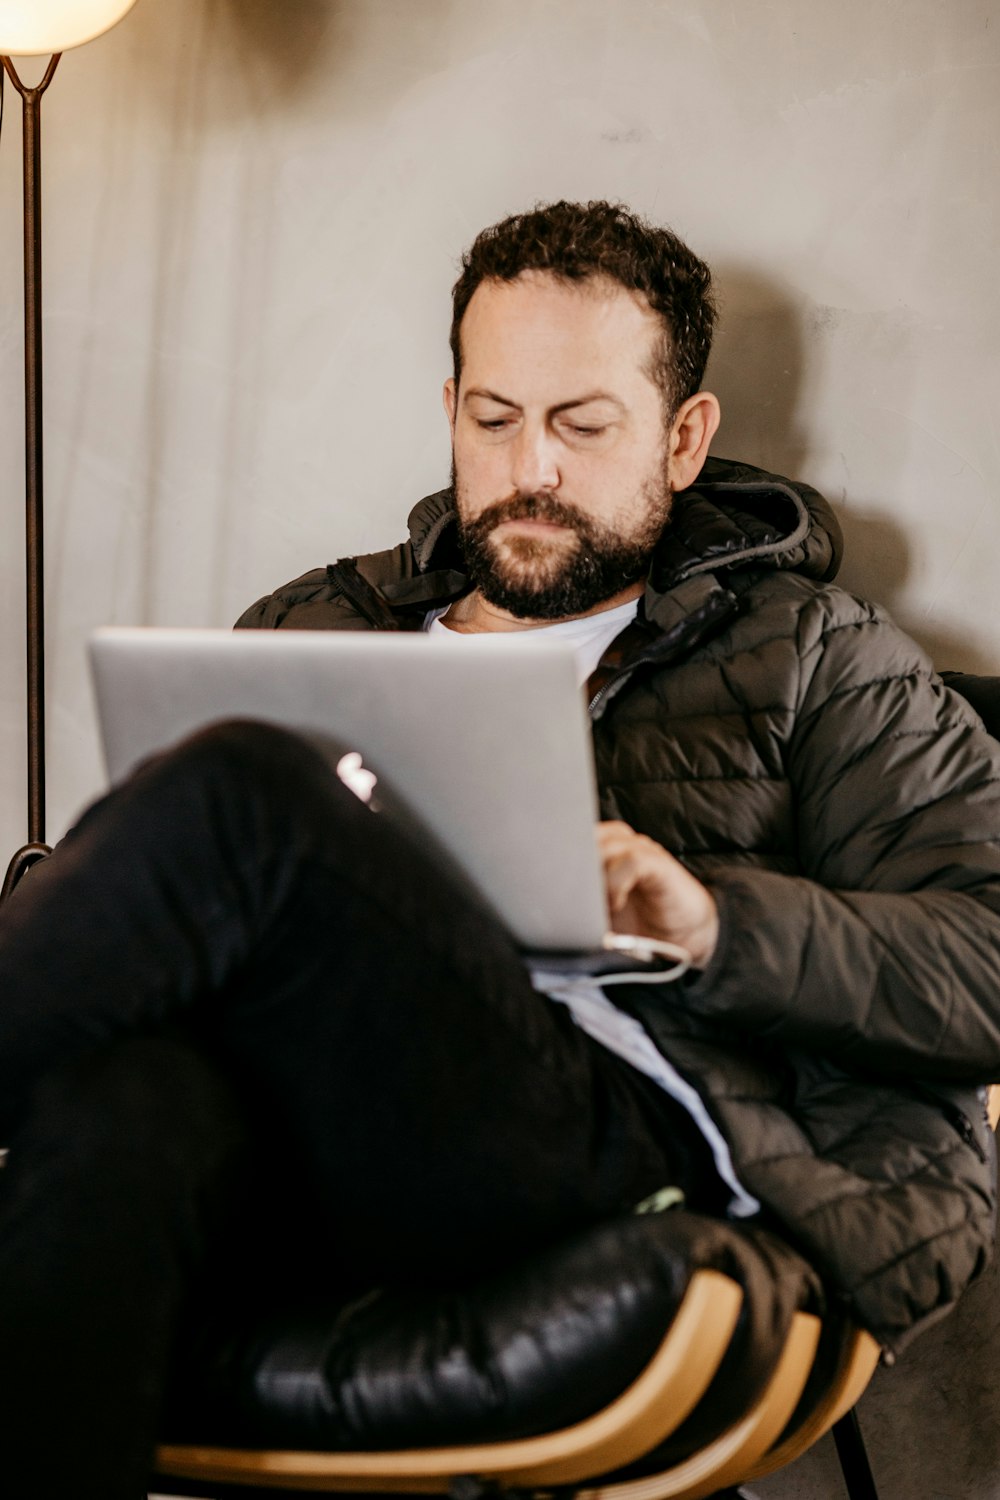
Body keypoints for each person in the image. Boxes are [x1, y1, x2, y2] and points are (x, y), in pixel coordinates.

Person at [1, 200, 999, 1498]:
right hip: (305, 1129)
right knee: (118, 1102)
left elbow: (984, 957)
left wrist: (712, 922)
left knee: (252, 785)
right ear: (452, 409)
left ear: (683, 436)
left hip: (610, 1136)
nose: (532, 467)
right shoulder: (313, 624)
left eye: (583, 425)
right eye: (493, 419)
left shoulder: (817, 657)